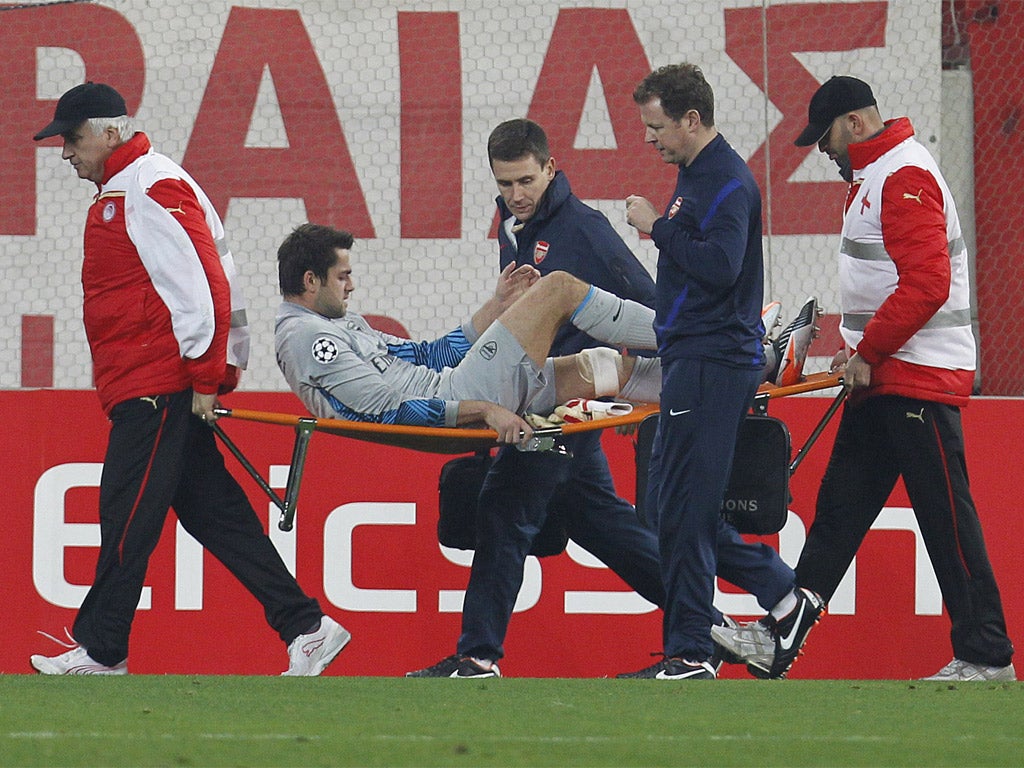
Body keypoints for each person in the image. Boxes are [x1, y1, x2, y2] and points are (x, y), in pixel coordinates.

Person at [29, 82, 349, 677]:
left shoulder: (147, 187)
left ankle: (102, 650)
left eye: (71, 139)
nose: (65, 152)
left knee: (126, 513)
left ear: (109, 132)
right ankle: (307, 626)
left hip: (159, 382)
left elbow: (201, 290)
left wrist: (205, 377)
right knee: (214, 514)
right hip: (157, 378)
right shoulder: (135, 187)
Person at [712, 76, 1016, 681]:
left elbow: (926, 284)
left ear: (855, 123)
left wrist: (868, 351)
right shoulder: (878, 176)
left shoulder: (900, 176)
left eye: (827, 139)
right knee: (839, 514)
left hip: (916, 377)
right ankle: (781, 640)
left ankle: (986, 654)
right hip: (888, 376)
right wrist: (857, 353)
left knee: (944, 516)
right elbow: (894, 283)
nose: (826, 152)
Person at [406, 118, 666, 679]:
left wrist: (639, 394)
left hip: (565, 403)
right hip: (542, 398)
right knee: (606, 529)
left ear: (551, 168)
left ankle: (476, 656)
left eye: (526, 181)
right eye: (504, 185)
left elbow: (651, 306)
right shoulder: (513, 224)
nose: (516, 195)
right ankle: (708, 627)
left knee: (502, 510)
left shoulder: (586, 230)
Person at [617, 63, 821, 681]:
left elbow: (722, 266)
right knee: (671, 509)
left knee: (682, 510)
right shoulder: (696, 177)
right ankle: (779, 602)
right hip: (692, 359)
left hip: (712, 362)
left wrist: (659, 228)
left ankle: (696, 649)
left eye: (657, 127)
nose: (650, 138)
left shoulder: (726, 181)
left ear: (691, 120)